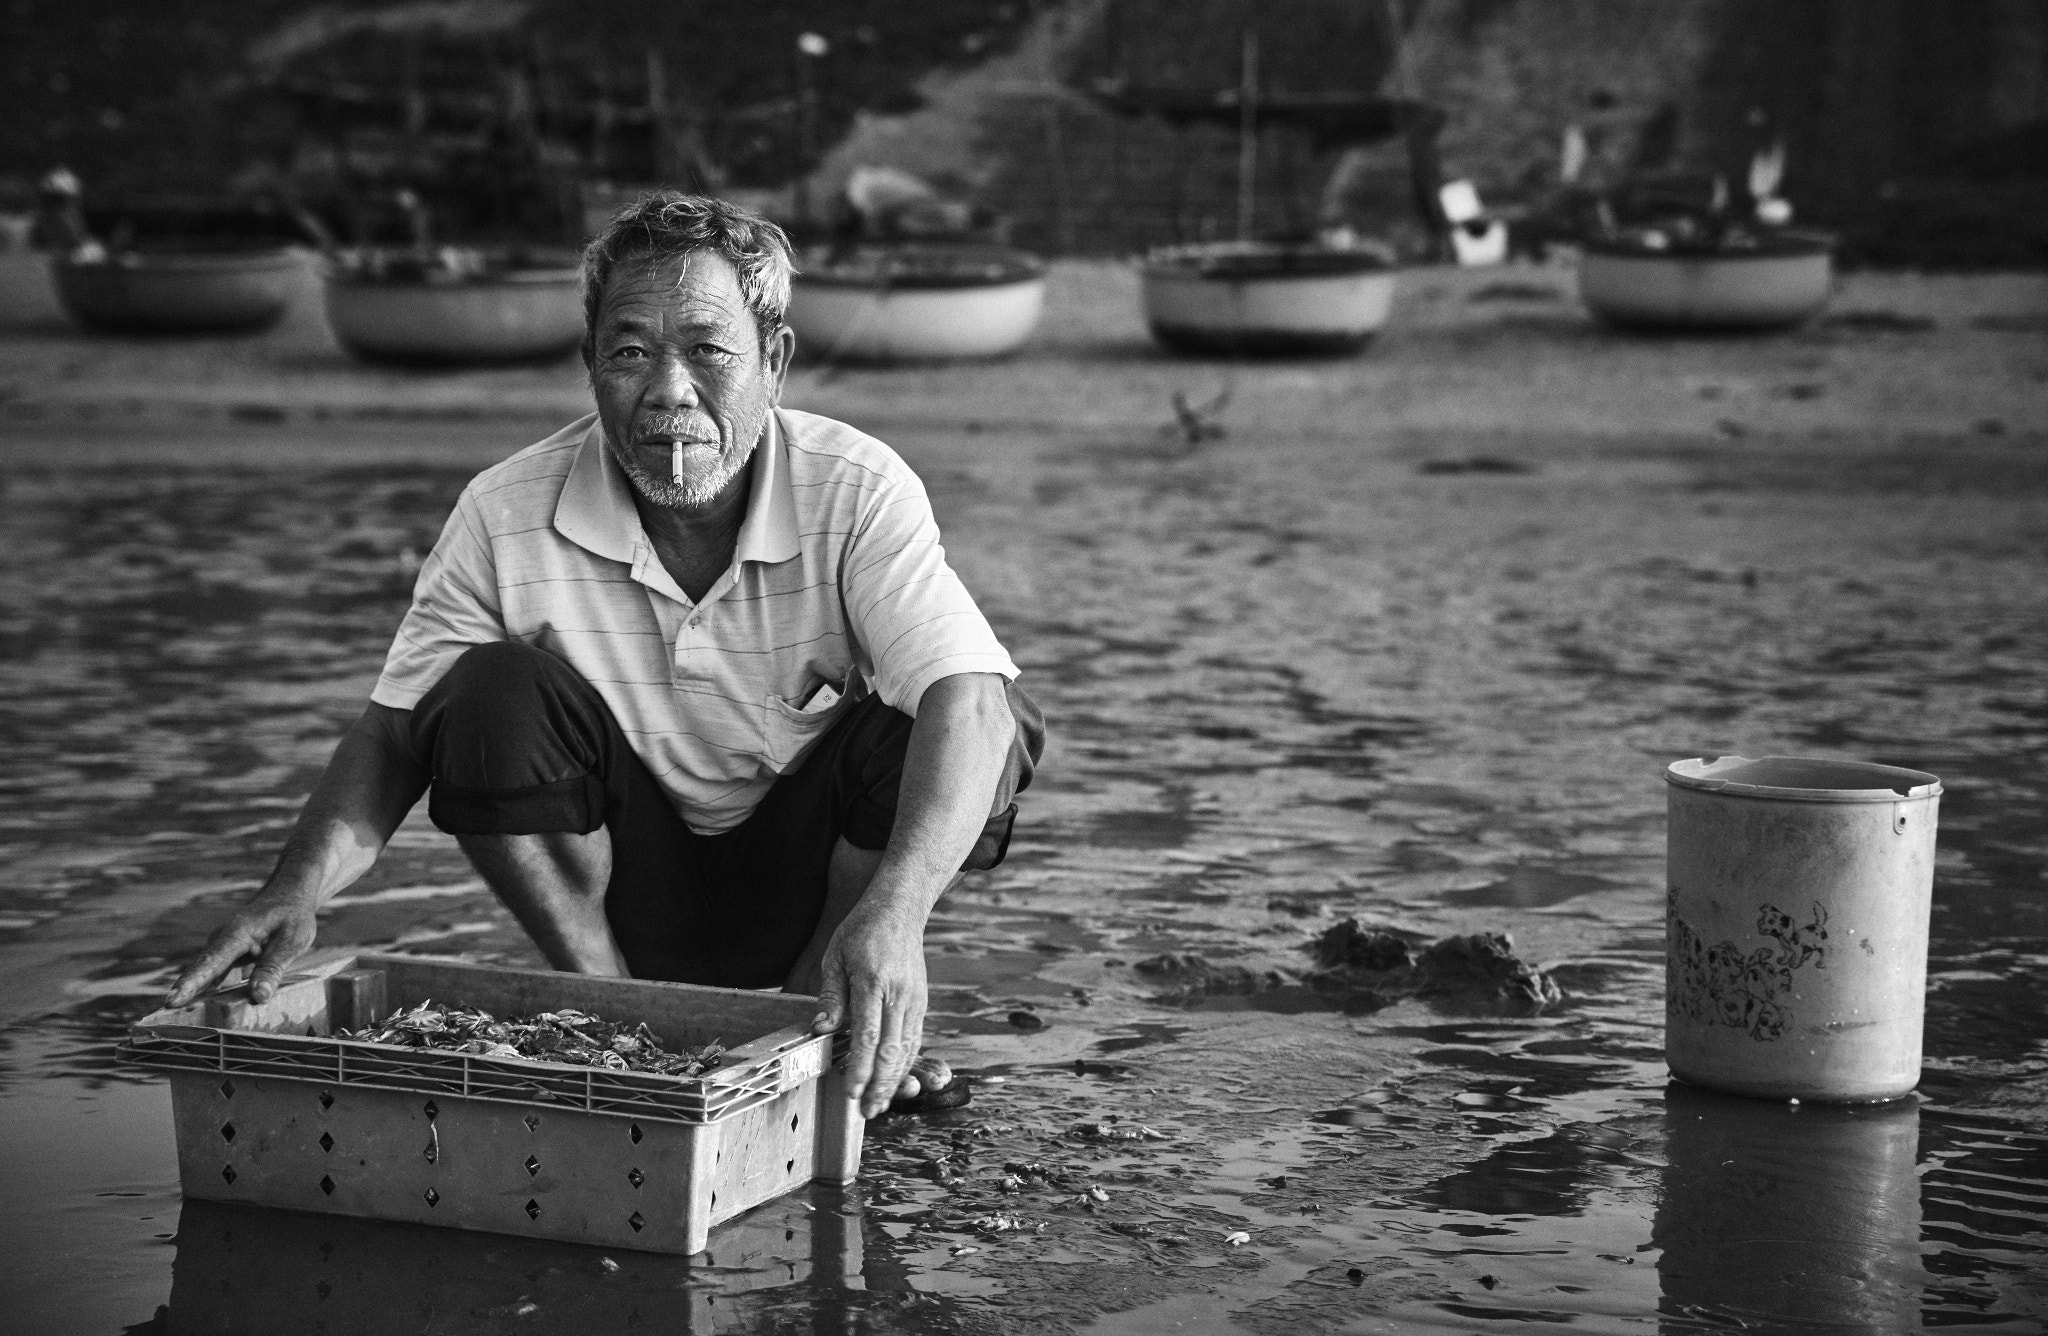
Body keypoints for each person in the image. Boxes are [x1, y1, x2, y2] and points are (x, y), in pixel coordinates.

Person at [167, 192, 1045, 1119]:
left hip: (811, 896)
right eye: (629, 352)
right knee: (486, 691)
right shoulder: (505, 510)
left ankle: (818, 1030)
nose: (669, 389)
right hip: (624, 899)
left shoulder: (858, 487)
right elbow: (394, 734)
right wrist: (292, 890)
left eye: (708, 350)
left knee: (979, 713)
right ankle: (614, 1023)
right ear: (589, 367)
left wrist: (897, 920)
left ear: (774, 362)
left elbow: (972, 701)